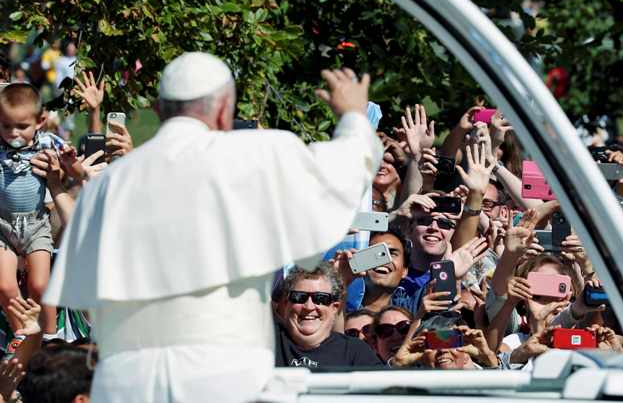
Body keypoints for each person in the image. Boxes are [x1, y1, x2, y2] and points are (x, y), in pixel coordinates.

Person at [43, 53, 383, 402]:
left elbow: (87, 302)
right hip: (219, 380)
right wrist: (354, 118)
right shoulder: (258, 157)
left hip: (127, 383)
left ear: (158, 110)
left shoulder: (106, 184)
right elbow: (344, 173)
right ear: (224, 110)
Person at [0, 84, 64, 337]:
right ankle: (23, 336)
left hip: (36, 225)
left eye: (21, 126)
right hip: (3, 226)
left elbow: (72, 163)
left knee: (40, 286)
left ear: (40, 121)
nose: (13, 133)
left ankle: (49, 338)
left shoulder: (47, 143)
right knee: (5, 287)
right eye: (6, 126)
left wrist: (68, 161)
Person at [274, 265, 381, 369]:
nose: (309, 307)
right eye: (299, 297)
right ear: (286, 304)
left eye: (320, 298)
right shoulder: (267, 343)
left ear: (335, 308)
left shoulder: (355, 352)